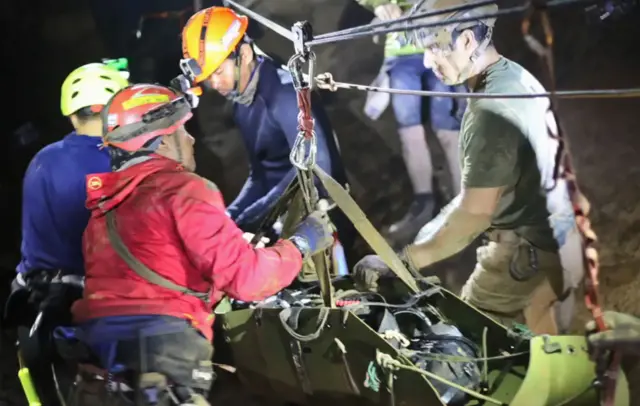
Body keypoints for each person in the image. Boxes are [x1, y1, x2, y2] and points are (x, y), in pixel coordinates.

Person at [70, 83, 335, 405]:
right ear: (165, 140)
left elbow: (152, 277)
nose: (192, 139)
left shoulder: (102, 212)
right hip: (163, 356)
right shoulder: (183, 189)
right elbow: (248, 280)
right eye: (183, 130)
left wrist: (235, 250)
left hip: (99, 363)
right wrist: (301, 244)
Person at [353, 0, 584, 335]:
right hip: (564, 245)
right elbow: (469, 199)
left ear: (466, 41)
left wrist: (402, 262)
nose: (427, 61)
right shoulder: (514, 76)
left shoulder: (489, 113)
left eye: (434, 47)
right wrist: (414, 250)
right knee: (548, 360)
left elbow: (473, 216)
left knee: (466, 345)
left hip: (526, 259)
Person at [179, 7, 355, 271]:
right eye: (208, 77)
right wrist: (231, 216)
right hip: (285, 219)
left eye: (218, 72)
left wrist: (252, 216)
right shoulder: (242, 99)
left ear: (246, 54)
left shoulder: (285, 95)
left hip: (323, 221)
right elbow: (261, 173)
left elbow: (318, 172)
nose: (215, 84)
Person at [4, 63, 129, 406]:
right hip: (92, 317)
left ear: (72, 115)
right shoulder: (121, 164)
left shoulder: (41, 160)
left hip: (33, 307)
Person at [356, 0, 467, 247]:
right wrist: (379, 3)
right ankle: (423, 204)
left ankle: (467, 206)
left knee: (448, 129)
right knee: (410, 131)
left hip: (443, 41)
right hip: (401, 49)